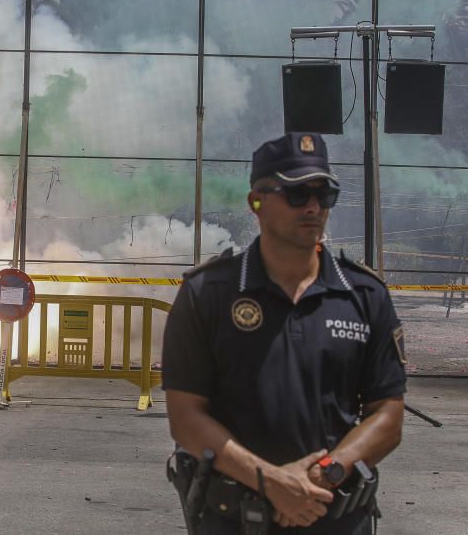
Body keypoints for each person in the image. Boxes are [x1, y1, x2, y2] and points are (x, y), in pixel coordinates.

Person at [162, 132, 407, 534]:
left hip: (334, 516)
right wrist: (272, 483)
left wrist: (321, 477)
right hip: (233, 521)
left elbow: (388, 415)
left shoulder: (364, 295)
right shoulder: (207, 294)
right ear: (255, 202)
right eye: (296, 194)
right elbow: (185, 418)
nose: (312, 206)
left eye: (324, 194)